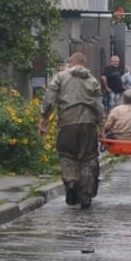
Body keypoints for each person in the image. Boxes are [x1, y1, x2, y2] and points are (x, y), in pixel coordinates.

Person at [39, 52, 105, 209]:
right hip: (88, 124)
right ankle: (86, 194)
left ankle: (71, 182)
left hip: (67, 123)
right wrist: (102, 126)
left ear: (71, 62)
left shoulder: (61, 77)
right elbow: (99, 106)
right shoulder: (93, 80)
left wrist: (44, 118)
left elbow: (50, 97)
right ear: (84, 63)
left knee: (67, 155)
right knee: (88, 158)